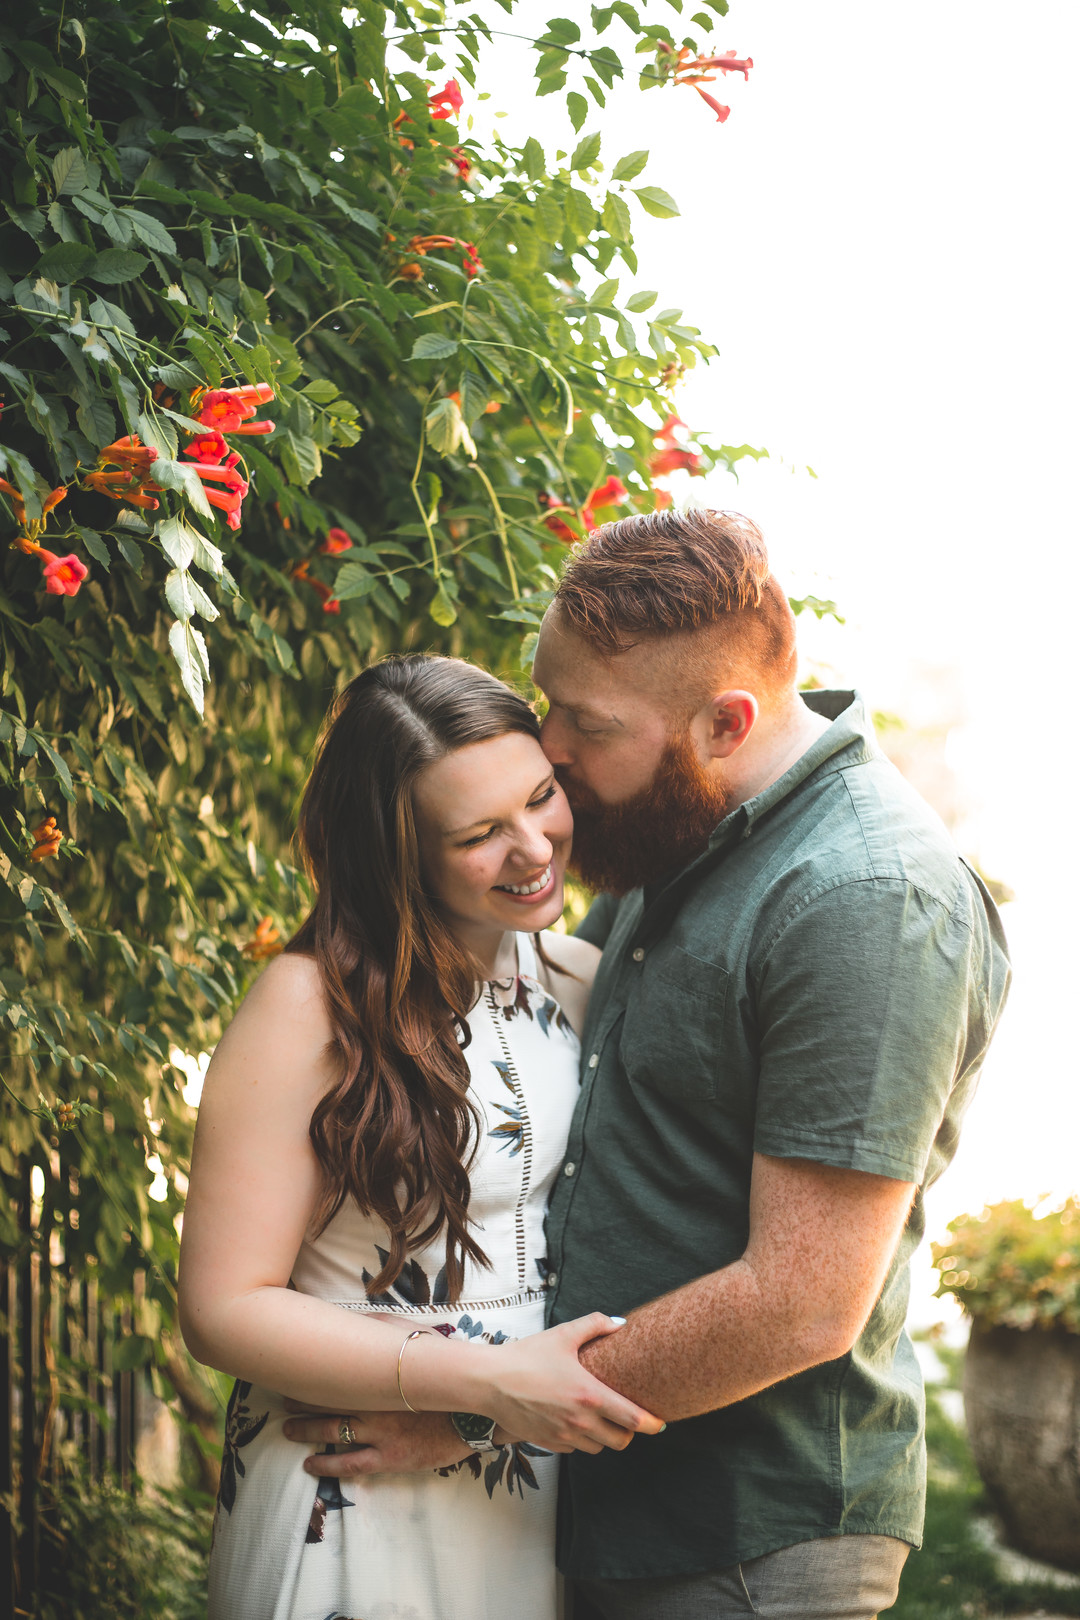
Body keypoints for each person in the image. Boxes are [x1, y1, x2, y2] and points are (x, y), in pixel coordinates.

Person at [284, 509, 1011, 1620]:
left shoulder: (865, 898)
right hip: (610, 1506)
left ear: (724, 721)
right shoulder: (674, 833)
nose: (552, 752)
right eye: (547, 704)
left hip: (745, 1537)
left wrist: (476, 1414)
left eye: (585, 723)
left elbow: (802, 1302)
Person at [177, 654, 663, 1620]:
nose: (535, 848)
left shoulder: (574, 975)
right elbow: (221, 1307)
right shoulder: (307, 1006)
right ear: (395, 854)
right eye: (481, 833)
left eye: (541, 798)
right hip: (352, 1479)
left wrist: (492, 1414)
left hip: (519, 1476)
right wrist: (480, 1381)